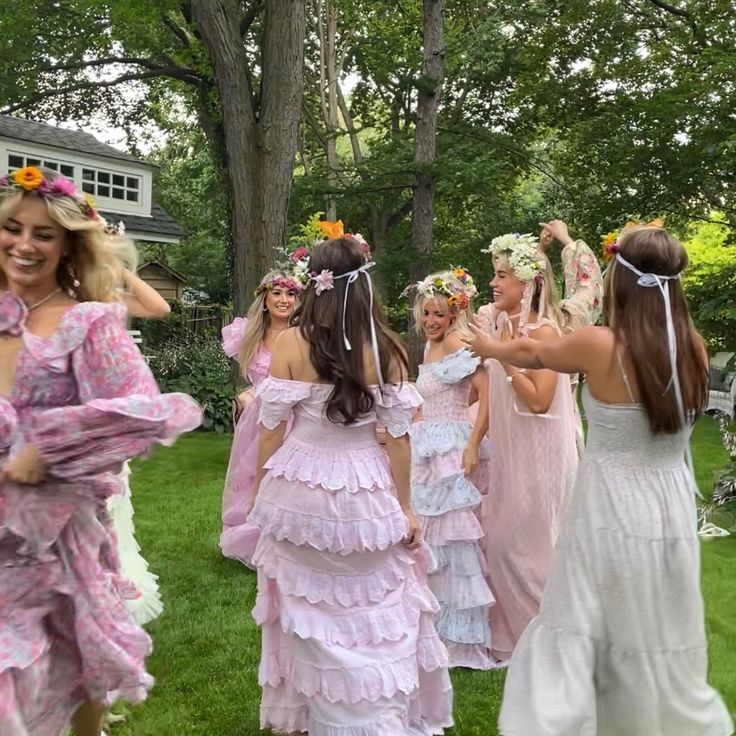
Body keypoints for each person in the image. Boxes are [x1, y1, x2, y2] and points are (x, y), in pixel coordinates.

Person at [468, 224, 734, 736]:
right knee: (651, 611)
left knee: (590, 611)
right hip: (669, 499)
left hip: (610, 500)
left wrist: (491, 347)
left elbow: (531, 355)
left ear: (622, 280)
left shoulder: (598, 343)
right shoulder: (694, 348)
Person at [0, 166, 201, 736]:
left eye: (43, 234)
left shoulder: (87, 323)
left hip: (53, 538)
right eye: (14, 228)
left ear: (67, 245)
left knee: (64, 666)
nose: (24, 244)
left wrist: (46, 444)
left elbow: (144, 410)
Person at [248, 237, 453, 734]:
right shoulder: (388, 349)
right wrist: (405, 507)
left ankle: (322, 713)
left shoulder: (291, 344)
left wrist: (261, 495)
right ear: (365, 286)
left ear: (313, 284)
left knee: (305, 607)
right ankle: (368, 712)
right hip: (363, 487)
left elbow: (271, 430)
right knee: (371, 606)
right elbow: (399, 442)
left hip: (299, 488)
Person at [474, 231, 579, 664]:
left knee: (532, 548)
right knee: (500, 540)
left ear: (528, 283)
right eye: (494, 274)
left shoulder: (546, 329)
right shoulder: (499, 323)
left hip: (541, 451)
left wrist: (501, 357)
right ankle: (515, 639)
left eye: (503, 275)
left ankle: (550, 642)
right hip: (510, 449)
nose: (494, 283)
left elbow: (538, 401)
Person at [406, 268, 494, 669]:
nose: (430, 322)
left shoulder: (461, 342)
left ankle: (458, 636)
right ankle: (430, 624)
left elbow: (487, 395)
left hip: (454, 447)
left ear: (454, 314)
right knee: (428, 531)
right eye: (426, 313)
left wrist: (473, 442)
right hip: (427, 444)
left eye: (438, 314)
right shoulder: (428, 347)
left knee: (454, 536)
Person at [220, 269, 300, 567]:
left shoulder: (303, 335)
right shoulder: (248, 335)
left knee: (289, 479)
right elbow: (259, 378)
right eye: (277, 293)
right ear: (264, 300)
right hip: (258, 418)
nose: (284, 300)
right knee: (255, 475)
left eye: (290, 294)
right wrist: (250, 394)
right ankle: (255, 540)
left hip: (295, 416)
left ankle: (289, 544)